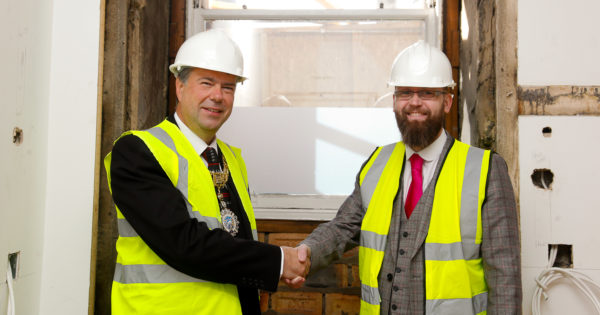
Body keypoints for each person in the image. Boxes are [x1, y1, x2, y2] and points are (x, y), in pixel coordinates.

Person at [292, 41, 522, 314]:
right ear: (394, 101)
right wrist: (305, 252)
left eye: (427, 93)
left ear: (447, 101)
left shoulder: (486, 170)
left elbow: (504, 277)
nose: (414, 102)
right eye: (405, 93)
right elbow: (342, 228)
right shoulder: (377, 163)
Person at [104, 30, 307, 315]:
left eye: (228, 87)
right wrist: (279, 262)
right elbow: (183, 243)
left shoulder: (230, 159)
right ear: (180, 86)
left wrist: (265, 279)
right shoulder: (137, 151)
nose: (218, 96)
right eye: (207, 83)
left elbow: (235, 242)